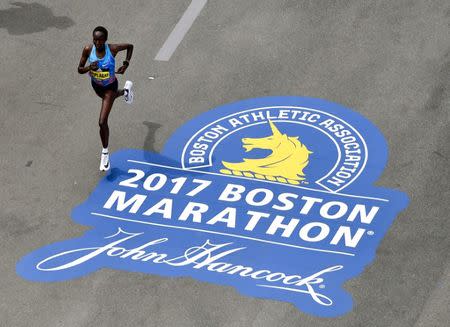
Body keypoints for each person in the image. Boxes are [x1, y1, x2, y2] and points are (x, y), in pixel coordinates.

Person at [77, 26, 134, 171]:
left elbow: (130, 47)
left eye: (100, 41)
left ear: (105, 40)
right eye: (95, 40)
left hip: (110, 87)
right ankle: (126, 91)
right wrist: (90, 67)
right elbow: (79, 69)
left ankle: (105, 153)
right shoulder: (88, 49)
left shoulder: (113, 49)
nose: (97, 43)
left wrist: (125, 64)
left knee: (102, 122)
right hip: (96, 86)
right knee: (112, 98)